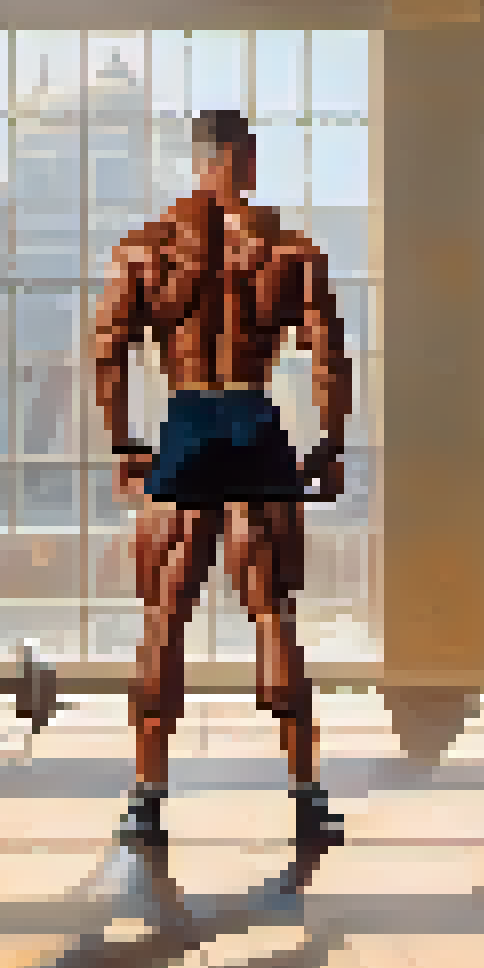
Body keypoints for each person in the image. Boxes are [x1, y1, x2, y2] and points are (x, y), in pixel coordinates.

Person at [91, 108, 351, 844]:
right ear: (246, 156)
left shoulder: (148, 249)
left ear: (199, 156)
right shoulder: (288, 250)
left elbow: (108, 350)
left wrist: (125, 443)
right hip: (253, 416)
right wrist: (329, 443)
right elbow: (327, 356)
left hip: (186, 418)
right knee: (273, 612)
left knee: (165, 612)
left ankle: (147, 797)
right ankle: (306, 794)